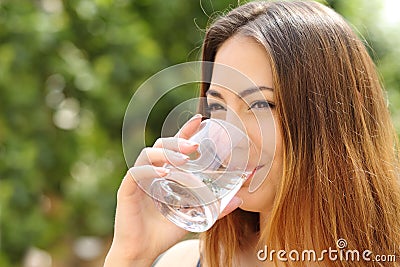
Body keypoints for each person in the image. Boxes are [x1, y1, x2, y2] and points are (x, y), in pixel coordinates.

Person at [104, 1, 400, 266]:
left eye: (261, 104)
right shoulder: (184, 261)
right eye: (217, 108)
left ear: (332, 120)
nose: (230, 140)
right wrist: (132, 255)